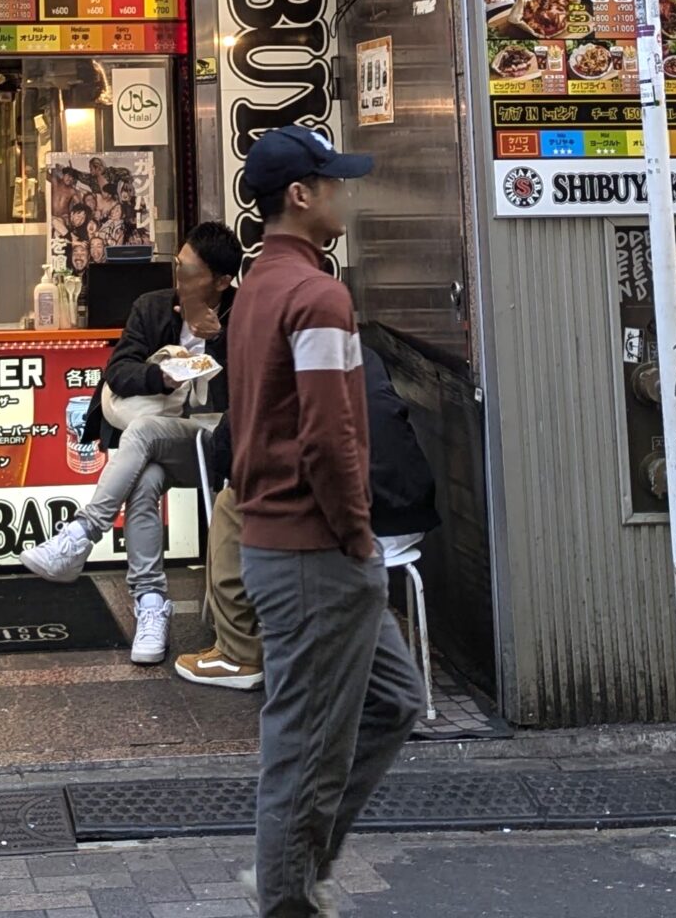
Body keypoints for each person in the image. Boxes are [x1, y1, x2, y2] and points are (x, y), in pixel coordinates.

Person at [223, 125, 424, 918]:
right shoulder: (317, 296)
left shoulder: (258, 290)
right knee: (302, 741)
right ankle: (286, 898)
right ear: (300, 196)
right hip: (314, 551)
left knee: (393, 700)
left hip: (284, 542)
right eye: (334, 181)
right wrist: (356, 535)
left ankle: (297, 865)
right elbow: (331, 438)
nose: (345, 192)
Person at [20, 222, 245, 663]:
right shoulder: (152, 306)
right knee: (142, 481)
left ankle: (81, 533)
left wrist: (212, 343)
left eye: (191, 272)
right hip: (164, 441)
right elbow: (118, 372)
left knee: (139, 437)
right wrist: (163, 374)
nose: (179, 279)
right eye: (178, 266)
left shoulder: (244, 314)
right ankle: (149, 604)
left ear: (221, 281)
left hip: (215, 438)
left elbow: (243, 391)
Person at [179, 346, 439, 693]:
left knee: (233, 502)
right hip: (406, 514)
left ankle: (237, 655)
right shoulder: (358, 348)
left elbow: (232, 446)